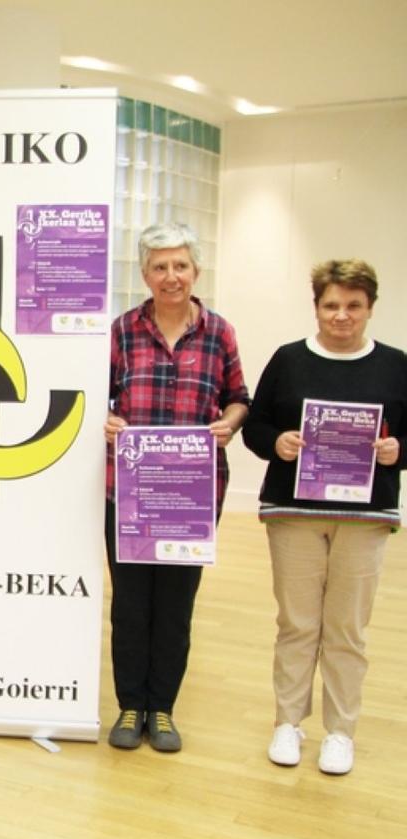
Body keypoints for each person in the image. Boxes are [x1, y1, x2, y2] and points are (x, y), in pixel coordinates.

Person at [243, 260, 405, 776]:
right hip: (294, 512)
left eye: (353, 305)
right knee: (296, 624)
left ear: (370, 308)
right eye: (331, 304)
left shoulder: (396, 365)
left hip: (365, 516)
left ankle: (340, 732)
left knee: (347, 629)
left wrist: (398, 451)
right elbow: (256, 425)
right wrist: (277, 442)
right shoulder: (288, 359)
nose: (342, 315)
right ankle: (288, 723)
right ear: (316, 307)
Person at [104, 222, 249, 753]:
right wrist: (107, 419)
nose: (171, 276)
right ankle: (129, 707)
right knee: (130, 606)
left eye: (180, 265)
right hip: (129, 496)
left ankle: (162, 709)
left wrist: (229, 422)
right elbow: (96, 396)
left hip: (191, 498)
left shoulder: (220, 333)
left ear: (196, 271)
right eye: (160, 267)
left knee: (175, 607)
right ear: (145, 274)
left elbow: (239, 397)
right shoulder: (121, 331)